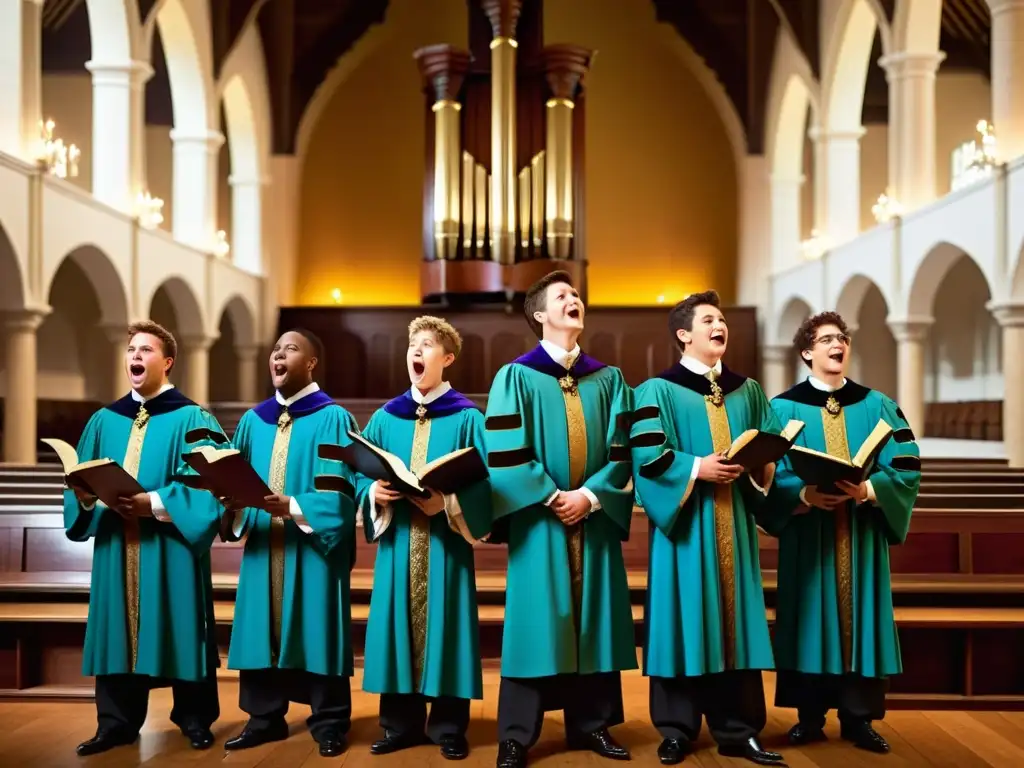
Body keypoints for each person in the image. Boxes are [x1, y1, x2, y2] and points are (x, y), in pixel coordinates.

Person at [484, 270, 636, 768]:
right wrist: (553, 497)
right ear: (540, 315)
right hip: (539, 524)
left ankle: (592, 726)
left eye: (577, 295)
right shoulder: (515, 377)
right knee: (534, 626)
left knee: (595, 622)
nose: (575, 300)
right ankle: (516, 735)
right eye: (562, 296)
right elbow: (505, 450)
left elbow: (623, 451)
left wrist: (591, 498)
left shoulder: (610, 380)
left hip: (592, 520)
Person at [629, 291, 784, 767]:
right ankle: (676, 729)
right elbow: (647, 457)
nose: (720, 326)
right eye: (709, 320)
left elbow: (772, 447)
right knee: (682, 620)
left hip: (733, 527)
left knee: (735, 622)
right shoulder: (657, 391)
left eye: (722, 320)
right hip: (686, 532)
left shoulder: (749, 390)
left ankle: (739, 729)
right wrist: (698, 468)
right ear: (684, 334)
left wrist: (760, 468)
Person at [762, 311, 921, 754]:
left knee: (861, 619)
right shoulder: (782, 408)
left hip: (861, 531)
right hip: (808, 538)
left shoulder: (879, 405)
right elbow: (770, 473)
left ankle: (858, 719)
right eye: (828, 338)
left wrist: (870, 488)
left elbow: (906, 464)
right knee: (809, 619)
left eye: (843, 337)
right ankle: (809, 718)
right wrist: (804, 493)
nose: (839, 344)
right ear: (807, 352)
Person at [63, 321, 223, 755]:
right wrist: (84, 498)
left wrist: (152, 502)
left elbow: (210, 486)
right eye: (132, 349)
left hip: (168, 548)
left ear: (167, 362)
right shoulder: (103, 420)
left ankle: (194, 719)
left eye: (146, 349)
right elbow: (80, 482)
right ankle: (115, 723)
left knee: (182, 624)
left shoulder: (193, 418)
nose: (135, 356)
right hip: (117, 546)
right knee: (117, 628)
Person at [355, 315, 492, 761]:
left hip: (445, 546)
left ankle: (450, 726)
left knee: (447, 626)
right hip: (398, 544)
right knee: (396, 624)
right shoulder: (383, 417)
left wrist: (447, 504)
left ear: (447, 358)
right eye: (413, 344)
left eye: (428, 344)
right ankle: (399, 724)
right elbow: (357, 473)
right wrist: (373, 491)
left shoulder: (469, 417)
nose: (417, 351)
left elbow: (487, 483)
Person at [219, 329, 359, 758]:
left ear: (312, 362)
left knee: (317, 626)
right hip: (264, 547)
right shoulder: (252, 421)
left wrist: (294, 506)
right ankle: (264, 719)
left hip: (312, 551)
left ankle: (329, 721)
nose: (278, 355)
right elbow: (232, 478)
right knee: (261, 626)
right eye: (275, 350)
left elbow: (340, 492)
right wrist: (229, 500)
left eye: (290, 349)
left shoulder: (334, 419)